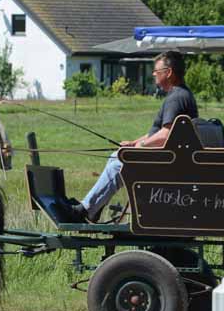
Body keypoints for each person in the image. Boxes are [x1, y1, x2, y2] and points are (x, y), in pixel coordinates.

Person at [65, 51, 198, 222]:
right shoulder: (183, 94)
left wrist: (140, 147)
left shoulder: (176, 98)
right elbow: (158, 132)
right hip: (172, 161)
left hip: (168, 165)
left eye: (157, 71)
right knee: (116, 156)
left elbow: (165, 136)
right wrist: (133, 143)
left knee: (118, 165)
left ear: (169, 72)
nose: (153, 74)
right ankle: (92, 208)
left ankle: (86, 209)